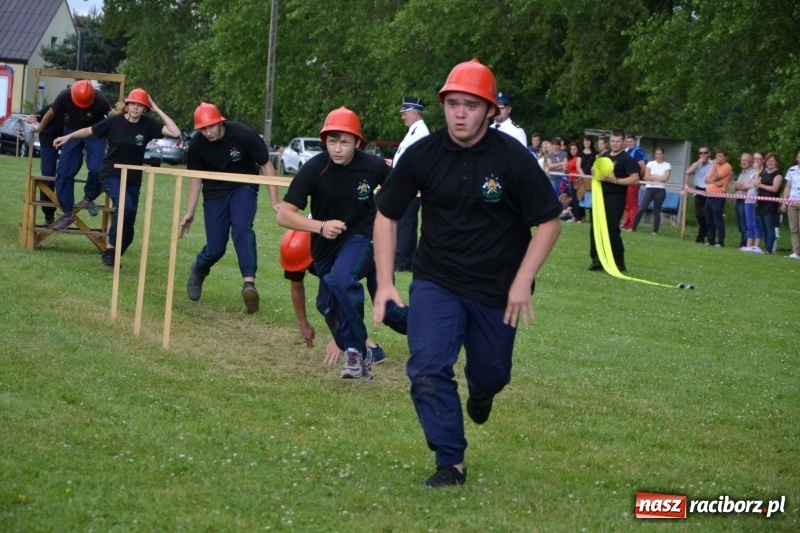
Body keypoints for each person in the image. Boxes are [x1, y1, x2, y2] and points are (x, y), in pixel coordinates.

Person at [372, 59, 561, 487]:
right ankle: (450, 461)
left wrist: (521, 280)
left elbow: (549, 222)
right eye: (453, 103)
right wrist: (385, 282)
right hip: (436, 280)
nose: (460, 113)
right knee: (426, 366)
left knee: (491, 373)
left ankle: (482, 392)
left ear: (490, 110)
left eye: (471, 105)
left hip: (497, 288)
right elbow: (386, 215)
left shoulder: (512, 157)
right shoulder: (423, 154)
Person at [276, 106, 407, 380]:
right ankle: (372, 355)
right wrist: (320, 227)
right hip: (327, 247)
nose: (338, 148)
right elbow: (285, 215)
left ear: (357, 142)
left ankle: (355, 353)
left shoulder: (372, 165)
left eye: (345, 142)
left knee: (342, 280)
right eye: (332, 141)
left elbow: (401, 188)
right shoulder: (314, 168)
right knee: (328, 304)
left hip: (364, 238)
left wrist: (384, 218)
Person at [54, 88, 180, 266]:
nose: (136, 108)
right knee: (126, 207)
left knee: (129, 226)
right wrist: (68, 137)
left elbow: (175, 133)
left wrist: (157, 109)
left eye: (140, 105)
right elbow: (89, 130)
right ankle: (111, 248)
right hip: (111, 173)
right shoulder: (114, 122)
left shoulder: (148, 125)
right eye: (133, 104)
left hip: (133, 178)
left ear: (145, 108)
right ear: (127, 105)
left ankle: (116, 250)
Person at [179, 102, 279, 313]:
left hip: (244, 186)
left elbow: (265, 164)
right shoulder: (197, 145)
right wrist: (190, 212)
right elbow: (196, 178)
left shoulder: (242, 134)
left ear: (220, 121)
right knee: (216, 248)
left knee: (242, 228)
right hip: (215, 192)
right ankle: (199, 267)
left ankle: (249, 285)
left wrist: (274, 200)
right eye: (203, 129)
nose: (208, 132)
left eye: (211, 127)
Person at [279, 228, 387, 363]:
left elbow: (345, 294)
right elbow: (296, 286)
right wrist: (303, 324)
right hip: (343, 256)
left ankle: (363, 347)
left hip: (370, 251)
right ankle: (365, 347)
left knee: (389, 311)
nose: (301, 271)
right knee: (325, 303)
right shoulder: (296, 250)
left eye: (303, 267)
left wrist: (340, 340)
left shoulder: (329, 245)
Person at [35, 80, 112, 231]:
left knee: (97, 168)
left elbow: (111, 117)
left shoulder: (100, 99)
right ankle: (67, 214)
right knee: (64, 171)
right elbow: (50, 113)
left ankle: (89, 197)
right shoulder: (64, 96)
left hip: (94, 131)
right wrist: (39, 128)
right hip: (71, 131)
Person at [586, 130, 640, 273]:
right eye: (613, 141)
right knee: (595, 228)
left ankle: (618, 261)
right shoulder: (604, 155)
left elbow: (635, 179)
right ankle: (596, 260)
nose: (615, 144)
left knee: (611, 229)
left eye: (618, 141)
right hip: (600, 196)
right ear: (610, 141)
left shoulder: (626, 158)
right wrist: (594, 172)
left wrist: (615, 180)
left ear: (623, 142)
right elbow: (598, 171)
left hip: (615, 197)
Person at [393, 96, 430, 272]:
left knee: (405, 224)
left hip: (410, 186)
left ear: (414, 114)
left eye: (405, 113)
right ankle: (406, 260)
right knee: (406, 223)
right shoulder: (414, 131)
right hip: (406, 184)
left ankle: (401, 262)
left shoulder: (420, 132)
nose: (403, 117)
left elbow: (418, 161)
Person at [27, 104, 63, 225]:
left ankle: (67, 209)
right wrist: (29, 119)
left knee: (66, 173)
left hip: (68, 137)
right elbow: (34, 117)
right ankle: (49, 215)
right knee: (48, 176)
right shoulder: (60, 102)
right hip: (48, 137)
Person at [632, 147, 671, 234]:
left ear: (663, 155)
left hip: (660, 190)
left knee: (656, 210)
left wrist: (653, 177)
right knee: (641, 208)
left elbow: (665, 178)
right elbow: (646, 176)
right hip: (649, 189)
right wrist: (657, 178)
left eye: (660, 154)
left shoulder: (667, 165)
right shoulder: (650, 163)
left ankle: (655, 231)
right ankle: (633, 227)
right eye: (657, 154)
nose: (658, 156)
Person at [754, 153, 783, 254]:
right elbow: (756, 185)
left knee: (770, 227)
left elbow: (775, 189)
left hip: (771, 203)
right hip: (761, 203)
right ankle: (766, 247)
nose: (770, 163)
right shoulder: (764, 173)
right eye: (768, 161)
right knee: (763, 227)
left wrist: (761, 185)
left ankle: (769, 249)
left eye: (772, 161)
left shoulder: (778, 175)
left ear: (776, 162)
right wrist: (757, 172)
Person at [704, 148, 733, 247]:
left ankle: (720, 241)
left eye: (721, 156)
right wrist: (715, 182)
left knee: (717, 219)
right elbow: (706, 179)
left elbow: (716, 176)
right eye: (717, 156)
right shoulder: (715, 166)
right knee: (709, 219)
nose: (719, 159)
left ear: (725, 157)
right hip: (709, 196)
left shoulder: (727, 167)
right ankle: (710, 239)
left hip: (718, 197)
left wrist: (714, 166)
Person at [684, 146, 713, 244]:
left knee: (708, 214)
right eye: (701, 153)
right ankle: (707, 232)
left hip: (709, 190)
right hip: (699, 190)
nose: (703, 155)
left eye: (705, 153)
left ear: (709, 153)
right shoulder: (697, 164)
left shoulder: (713, 164)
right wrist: (698, 162)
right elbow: (687, 172)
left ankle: (702, 238)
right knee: (699, 214)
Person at [622, 134, 647, 231]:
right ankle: (626, 223)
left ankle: (632, 224)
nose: (629, 143)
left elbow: (642, 166)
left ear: (635, 142)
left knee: (632, 203)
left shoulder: (637, 152)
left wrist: (640, 178)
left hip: (634, 180)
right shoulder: (627, 151)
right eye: (627, 142)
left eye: (630, 141)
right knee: (627, 203)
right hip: (626, 180)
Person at [733, 153, 757, 249]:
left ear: (751, 162)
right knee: (740, 224)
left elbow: (753, 187)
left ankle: (745, 244)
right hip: (738, 200)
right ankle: (743, 242)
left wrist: (741, 187)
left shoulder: (753, 172)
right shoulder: (742, 172)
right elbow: (739, 186)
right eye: (742, 160)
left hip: (746, 201)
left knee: (745, 224)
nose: (743, 162)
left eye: (746, 160)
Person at [782, 150, 800, 259]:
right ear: (797, 158)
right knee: (793, 229)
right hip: (792, 202)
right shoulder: (792, 170)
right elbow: (788, 186)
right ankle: (796, 252)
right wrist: (784, 202)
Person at [565, 142, 584, 222]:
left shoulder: (578, 158)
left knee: (577, 200)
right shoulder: (571, 158)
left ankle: (576, 217)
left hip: (576, 181)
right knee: (575, 199)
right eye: (571, 149)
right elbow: (568, 170)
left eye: (574, 149)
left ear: (578, 149)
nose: (572, 151)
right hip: (570, 180)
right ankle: (580, 217)